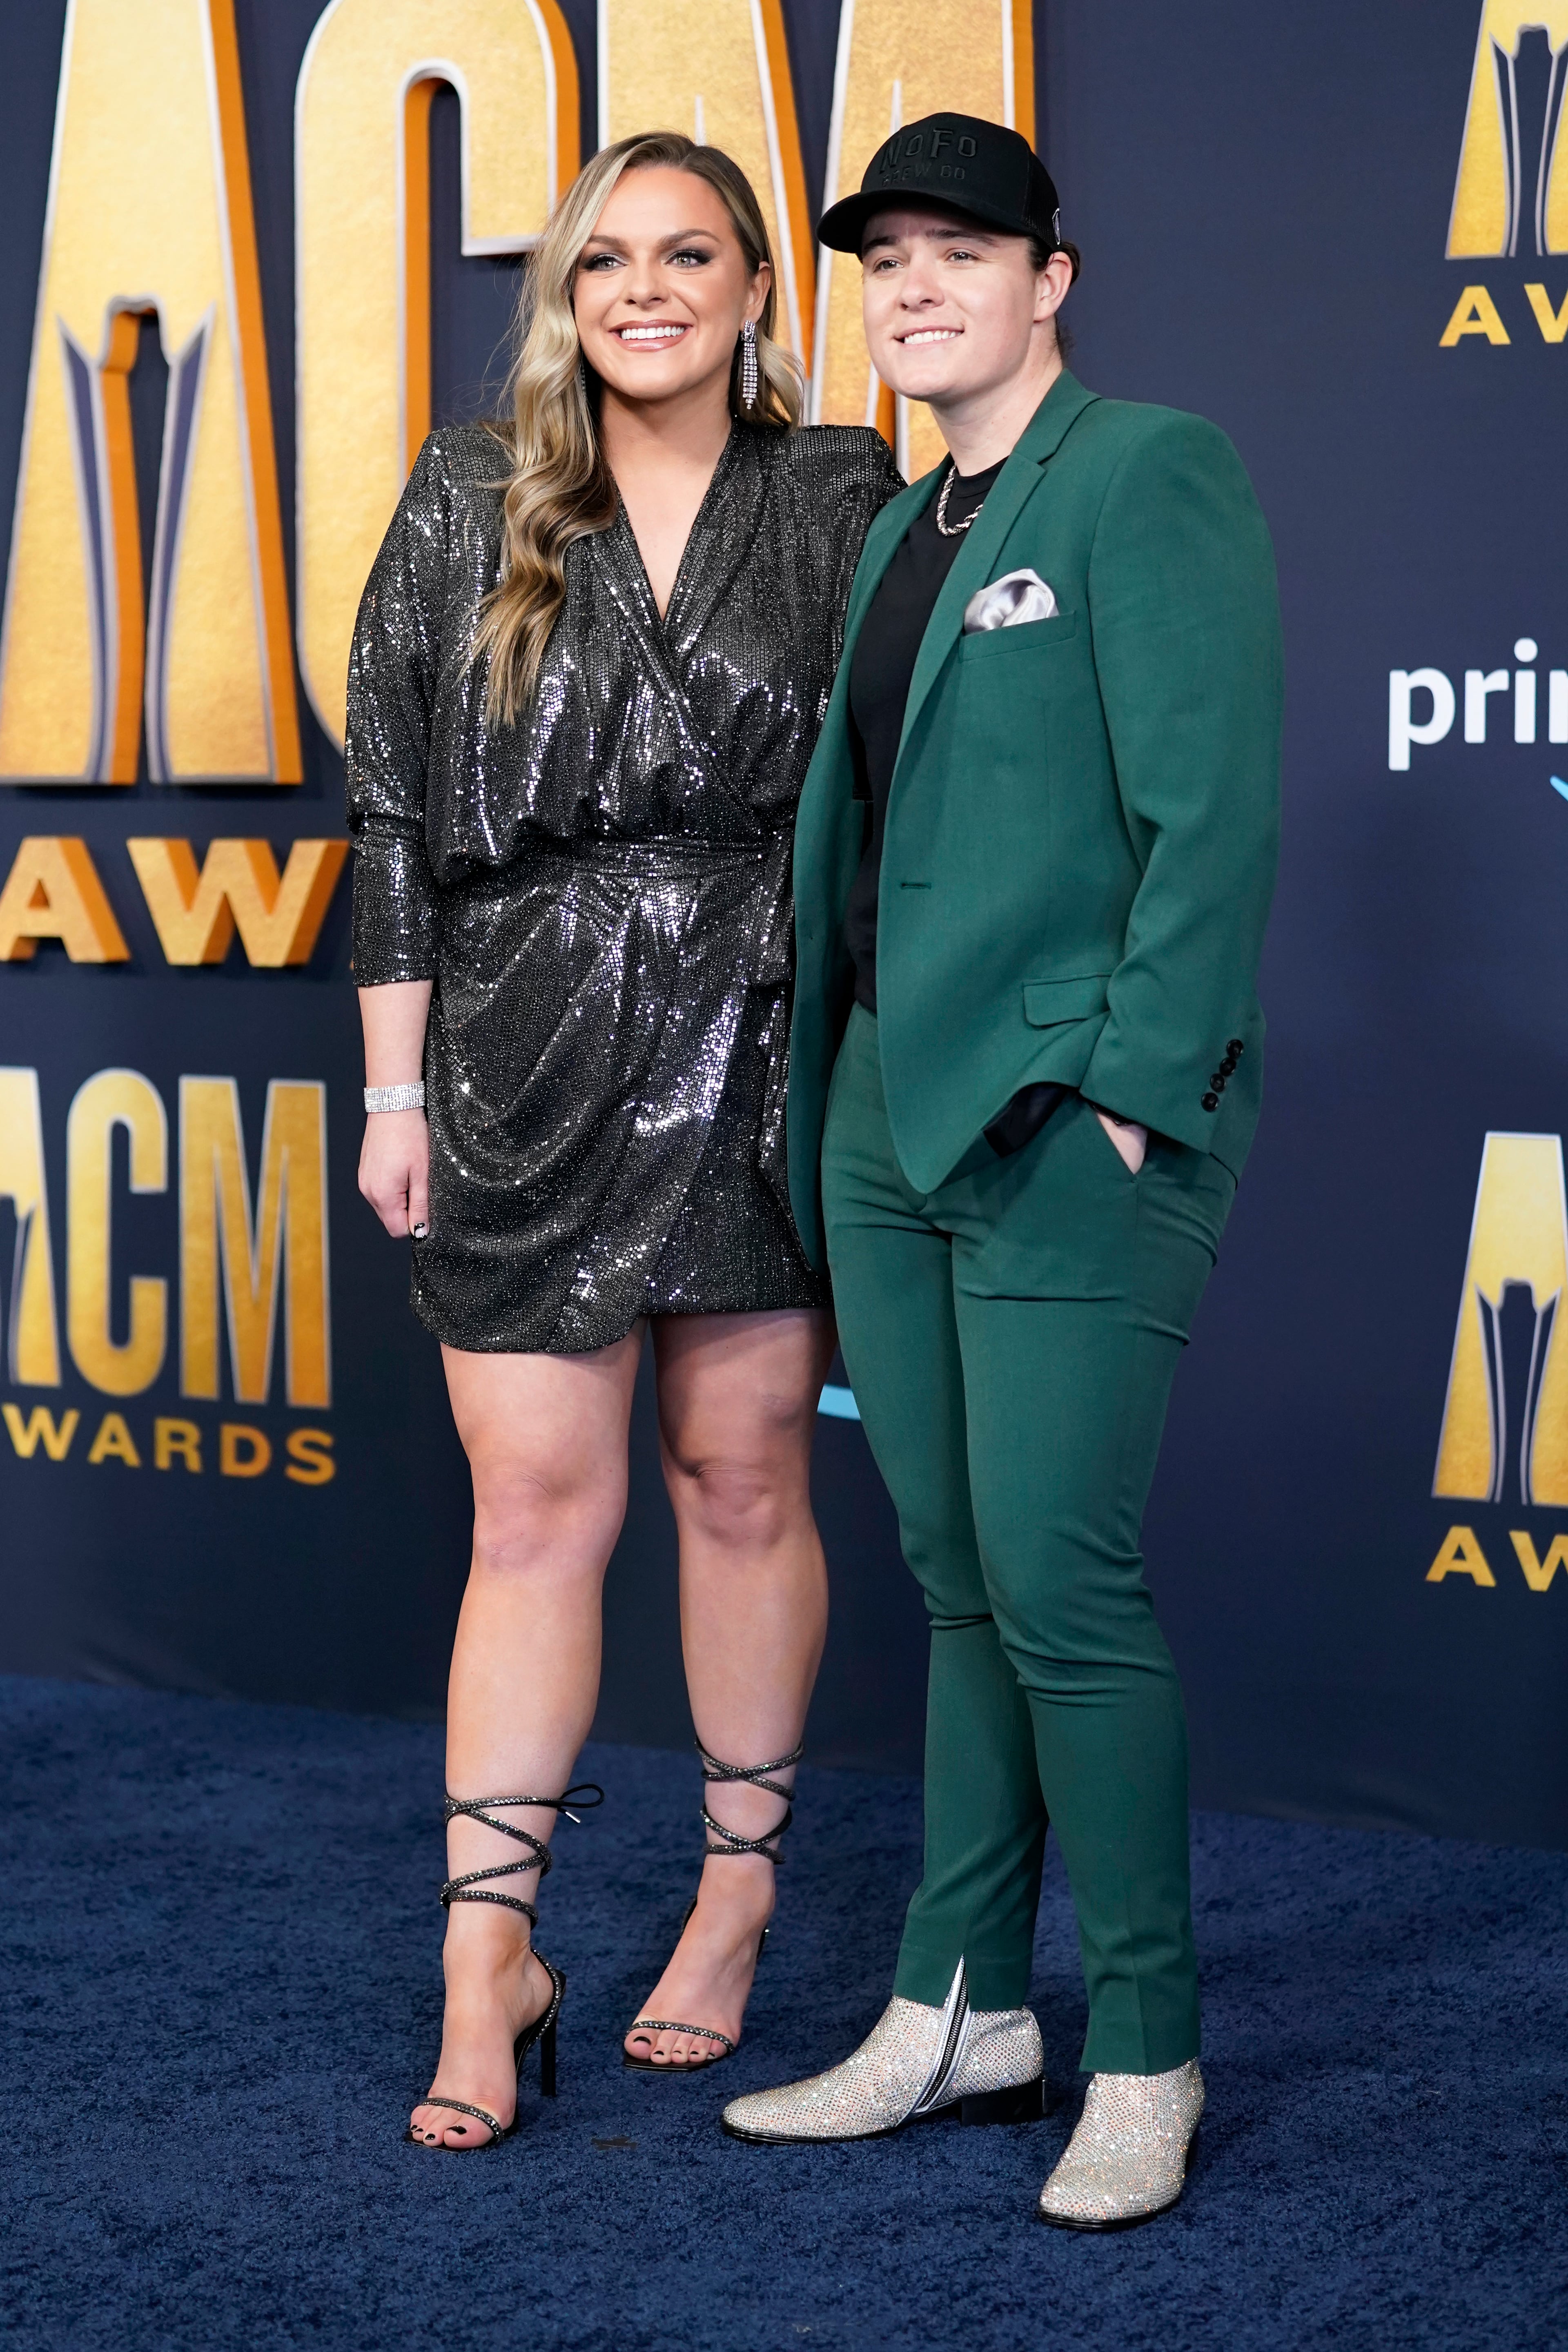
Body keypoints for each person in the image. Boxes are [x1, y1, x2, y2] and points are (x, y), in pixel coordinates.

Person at [721, 114, 1281, 2229]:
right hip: (883, 1111)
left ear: (1057, 273)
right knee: (957, 1583)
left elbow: (1212, 817)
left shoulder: (1149, 474)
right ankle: (959, 2007)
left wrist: (1133, 1090)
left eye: (965, 250)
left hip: (1065, 1120)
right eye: (889, 260)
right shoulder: (898, 527)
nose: (920, 286)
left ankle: (1144, 2044)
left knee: (1061, 1588)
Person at [346, 130, 901, 2149]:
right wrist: (395, 1091)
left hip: (764, 1032)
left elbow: (912, 792)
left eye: (689, 255)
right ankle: (487, 1951)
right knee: (532, 1512)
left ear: (761, 289)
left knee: (742, 1478)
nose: (644, 291)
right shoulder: (468, 490)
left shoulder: (844, 494)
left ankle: (735, 1897)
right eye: (605, 264)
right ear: (567, 299)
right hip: (517, 1042)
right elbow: (394, 813)